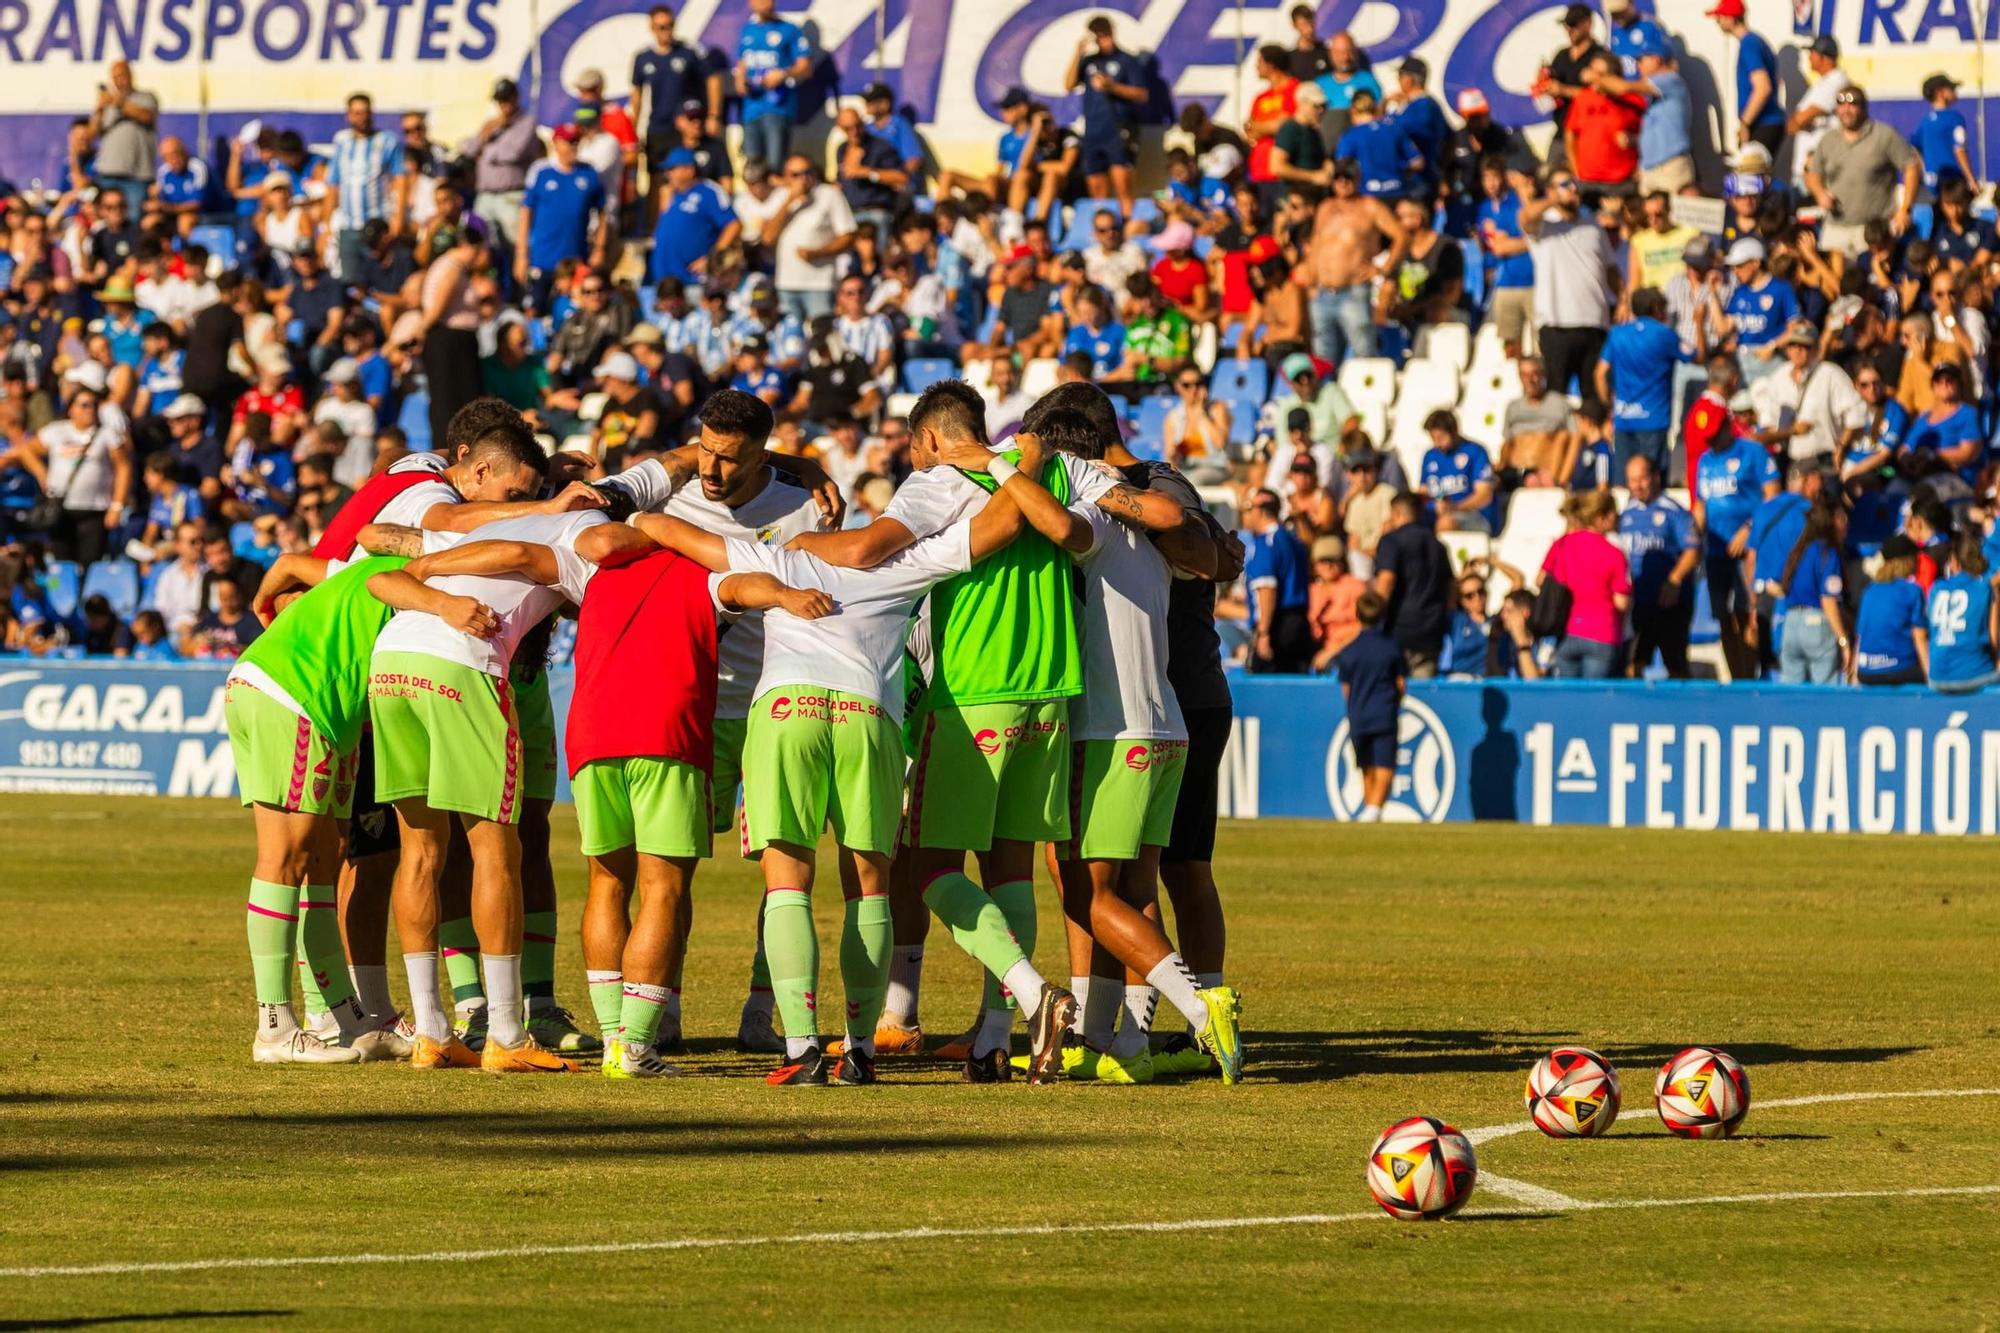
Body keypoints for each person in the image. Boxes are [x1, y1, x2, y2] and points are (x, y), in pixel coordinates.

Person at [787, 382, 1186, 1076]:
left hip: (974, 692)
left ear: (932, 438)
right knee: (1011, 869)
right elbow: (1153, 511)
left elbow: (868, 550)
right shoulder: (1063, 468)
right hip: (1052, 693)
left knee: (931, 866)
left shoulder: (937, 479)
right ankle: (996, 1038)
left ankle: (1034, 996)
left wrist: (794, 544)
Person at [938, 409, 1241, 1086]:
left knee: (1088, 894)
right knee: (1132, 892)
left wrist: (1000, 466)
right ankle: (1121, 1041)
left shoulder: (1098, 523)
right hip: (1166, 732)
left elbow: (1058, 522)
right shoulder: (1154, 540)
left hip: (1110, 732)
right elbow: (1186, 535)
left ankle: (1203, 1008)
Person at [1693, 407, 1782, 680]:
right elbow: (1701, 504)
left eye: (1713, 435)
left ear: (1726, 427)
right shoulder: (1705, 461)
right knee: (1722, 616)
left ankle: (1753, 677)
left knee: (1747, 614)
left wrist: (1749, 529)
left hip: (1749, 551)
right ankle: (1737, 677)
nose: (1709, 442)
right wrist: (1693, 538)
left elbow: (1773, 495)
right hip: (1716, 550)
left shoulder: (1752, 453)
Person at [1524, 169, 1618, 395]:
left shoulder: (1592, 223)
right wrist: (1553, 199)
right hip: (1557, 327)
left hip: (1595, 323)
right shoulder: (1544, 225)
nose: (1573, 189)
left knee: (1594, 398)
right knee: (1557, 397)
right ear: (1550, 191)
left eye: (1574, 183)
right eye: (1565, 184)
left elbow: (1611, 268)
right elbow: (1525, 217)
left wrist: (1623, 299)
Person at [18, 383, 132, 566]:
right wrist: (42, 474)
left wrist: (117, 505)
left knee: (90, 563)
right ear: (71, 408)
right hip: (61, 509)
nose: (90, 409)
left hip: (94, 509)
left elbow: (124, 467)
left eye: (94, 405)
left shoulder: (106, 434)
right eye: (84, 405)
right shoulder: (56, 431)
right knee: (62, 564)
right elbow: (26, 450)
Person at [1306, 162, 1408, 363]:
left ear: (1358, 178)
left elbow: (1401, 236)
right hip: (1322, 292)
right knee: (1322, 357)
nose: (1343, 182)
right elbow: (1316, 244)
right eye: (1338, 177)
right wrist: (1311, 281)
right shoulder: (1325, 208)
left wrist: (1383, 268)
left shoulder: (1369, 206)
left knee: (1363, 351)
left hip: (1353, 292)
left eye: (1348, 177)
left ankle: (1366, 394)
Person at [1804, 87, 1918, 257]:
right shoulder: (1828, 140)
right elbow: (1813, 173)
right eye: (1841, 104)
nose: (1846, 110)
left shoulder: (1883, 135)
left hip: (1873, 231)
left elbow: (1911, 168)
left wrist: (1905, 209)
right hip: (1835, 228)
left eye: (1852, 104)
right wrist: (1819, 192)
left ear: (1863, 107)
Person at [632, 5, 725, 211]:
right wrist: (633, 128)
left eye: (670, 25)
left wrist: (713, 115)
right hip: (657, 125)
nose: (666, 31)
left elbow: (713, 79)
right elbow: (637, 94)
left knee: (685, 176)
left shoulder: (688, 52)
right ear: (652, 28)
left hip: (683, 128)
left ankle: (683, 220)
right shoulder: (643, 58)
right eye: (661, 27)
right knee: (656, 178)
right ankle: (655, 229)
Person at [1619, 455, 1699, 677]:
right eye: (1632, 480)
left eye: (1642, 479)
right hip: (1637, 602)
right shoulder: (1626, 513)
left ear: (1655, 477)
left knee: (1676, 666)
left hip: (1669, 602)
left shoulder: (1674, 512)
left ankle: (1682, 710)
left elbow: (1693, 551)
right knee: (1633, 664)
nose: (1637, 485)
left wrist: (1673, 581)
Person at [1329, 591, 1405, 823]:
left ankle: (1371, 808)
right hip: (1384, 712)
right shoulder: (1391, 648)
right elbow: (1400, 684)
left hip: (1358, 714)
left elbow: (1346, 688)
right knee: (1384, 762)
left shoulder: (1348, 651)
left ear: (1357, 615)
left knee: (1366, 763)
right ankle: (1373, 808)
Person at [517, 126, 609, 315]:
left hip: (575, 261)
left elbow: (603, 213)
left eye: (576, 141)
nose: (573, 147)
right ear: (556, 144)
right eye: (568, 142)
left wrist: (599, 248)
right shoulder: (541, 172)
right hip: (543, 258)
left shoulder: (589, 174)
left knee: (573, 311)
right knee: (534, 311)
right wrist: (521, 254)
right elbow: (526, 213)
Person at [1540, 489, 1631, 678]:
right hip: (1603, 633)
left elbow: (1544, 579)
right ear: (1601, 518)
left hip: (1568, 632)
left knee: (1569, 700)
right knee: (1596, 702)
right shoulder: (1614, 553)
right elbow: (1621, 603)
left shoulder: (1564, 544)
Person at [1595, 287, 1686, 473]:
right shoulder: (1663, 334)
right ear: (1656, 309)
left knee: (1625, 483)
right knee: (1652, 485)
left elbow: (1599, 373)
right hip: (1654, 420)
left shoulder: (1617, 333)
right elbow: (1696, 355)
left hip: (1623, 419)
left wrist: (1608, 406)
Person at [1064, 16, 1148, 216]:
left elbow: (1142, 94)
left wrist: (1112, 86)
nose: (1105, 41)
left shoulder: (1126, 60)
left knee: (1122, 184)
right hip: (1093, 132)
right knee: (1096, 186)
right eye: (1100, 37)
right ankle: (1102, 229)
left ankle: (1127, 226)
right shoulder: (1089, 62)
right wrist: (1078, 52)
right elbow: (1068, 85)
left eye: (1107, 35)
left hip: (1118, 130)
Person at [765, 156, 856, 323]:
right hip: (786, 284)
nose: (802, 179)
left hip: (819, 284)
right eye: (795, 174)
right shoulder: (780, 197)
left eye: (807, 173)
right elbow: (767, 237)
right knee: (791, 340)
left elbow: (849, 235)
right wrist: (789, 200)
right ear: (785, 176)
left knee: (821, 338)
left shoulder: (830, 194)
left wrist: (819, 253)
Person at [1372, 491, 1452, 677]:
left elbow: (1386, 581)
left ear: (1397, 513)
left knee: (1395, 693)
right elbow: (1451, 587)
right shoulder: (1438, 545)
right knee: (1421, 696)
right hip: (1431, 632)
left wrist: (1373, 616)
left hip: (1399, 631)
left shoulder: (1391, 541)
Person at [462, 78, 546, 257]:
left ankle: (520, 283)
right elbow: (469, 151)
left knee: (516, 245)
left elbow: (512, 153)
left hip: (511, 196)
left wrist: (486, 150)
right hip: (485, 195)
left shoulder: (526, 123)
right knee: (483, 245)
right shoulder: (491, 124)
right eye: (500, 100)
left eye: (507, 99)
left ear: (516, 97)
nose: (503, 104)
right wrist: (482, 136)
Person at [328, 93, 403, 283]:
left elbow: (400, 181)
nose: (362, 117)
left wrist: (397, 219)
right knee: (350, 283)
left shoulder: (387, 141)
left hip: (377, 224)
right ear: (349, 116)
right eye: (357, 113)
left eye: (366, 112)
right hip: (349, 225)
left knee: (380, 280)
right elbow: (333, 184)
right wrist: (326, 225)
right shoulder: (341, 142)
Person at [1774, 502, 1850, 684]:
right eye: (1842, 519)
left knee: (1791, 698)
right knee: (1824, 700)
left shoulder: (1798, 551)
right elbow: (1828, 600)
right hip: (1817, 624)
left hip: (1790, 624)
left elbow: (1778, 587)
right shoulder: (1827, 553)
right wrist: (1843, 641)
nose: (1846, 524)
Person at [734, 0, 814, 172]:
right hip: (751, 108)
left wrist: (783, 74)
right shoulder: (747, 30)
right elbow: (742, 63)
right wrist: (740, 81)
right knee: (753, 166)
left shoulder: (789, 29)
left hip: (777, 107)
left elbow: (805, 66)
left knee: (774, 164)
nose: (764, 3)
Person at [1240, 486, 1314, 672]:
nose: (1245, 515)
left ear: (1260, 510)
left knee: (1267, 690)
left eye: (1248, 509)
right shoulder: (1292, 540)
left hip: (1278, 625)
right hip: (1299, 622)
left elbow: (1267, 589)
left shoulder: (1267, 542)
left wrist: (1263, 633)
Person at [1709, 0, 1784, 158]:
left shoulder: (1749, 44)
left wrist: (1745, 123)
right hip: (1765, 123)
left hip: (1763, 123)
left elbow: (1762, 88)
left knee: (1750, 178)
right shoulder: (1755, 42)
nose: (1717, 22)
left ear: (1731, 18)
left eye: (1720, 17)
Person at [1854, 535, 1930, 686]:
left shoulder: (1870, 591)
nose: (1918, 562)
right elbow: (1919, 636)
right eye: (1916, 557)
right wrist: (1931, 677)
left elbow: (1860, 637)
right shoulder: (1912, 591)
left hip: (1867, 672)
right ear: (1908, 561)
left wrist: (1855, 676)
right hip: (1901, 669)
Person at [1927, 530, 1997, 690]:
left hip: (1937, 677)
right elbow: (1994, 641)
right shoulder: (1984, 589)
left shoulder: (1936, 588)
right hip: (1975, 674)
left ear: (1955, 561)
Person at [92, 61, 159, 217]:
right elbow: (93, 133)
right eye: (115, 77)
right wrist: (99, 110)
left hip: (135, 176)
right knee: (105, 221)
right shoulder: (108, 104)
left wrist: (118, 102)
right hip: (107, 174)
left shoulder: (145, 97)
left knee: (132, 219)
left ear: (131, 76)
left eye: (122, 75)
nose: (118, 80)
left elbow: (146, 116)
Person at [1498, 357, 1577, 487]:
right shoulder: (1513, 407)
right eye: (1524, 374)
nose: (1530, 380)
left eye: (1534, 374)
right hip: (1516, 471)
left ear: (1543, 375)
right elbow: (1507, 442)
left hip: (1547, 474)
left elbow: (1575, 439)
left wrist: (1563, 478)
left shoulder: (1559, 404)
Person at [1788, 36, 1851, 196]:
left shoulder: (1836, 82)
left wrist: (1798, 121)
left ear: (1824, 56)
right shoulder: (1824, 82)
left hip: (1818, 169)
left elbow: (1800, 120)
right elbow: (1794, 123)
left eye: (1812, 53)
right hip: (1808, 168)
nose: (1809, 57)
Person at [1418, 410, 1498, 534]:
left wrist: (1454, 507)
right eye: (1433, 438)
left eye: (1441, 438)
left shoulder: (1475, 452)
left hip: (1474, 515)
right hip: (1435, 515)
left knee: (1446, 523)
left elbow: (1484, 495)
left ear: (1454, 431)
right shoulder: (1430, 456)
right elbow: (1423, 493)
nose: (1437, 443)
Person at [1916, 74, 1979, 196]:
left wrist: (1926, 171)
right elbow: (1959, 149)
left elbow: (1915, 149)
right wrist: (1971, 179)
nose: (1955, 92)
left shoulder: (1925, 121)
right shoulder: (1954, 118)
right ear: (1941, 93)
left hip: (1932, 183)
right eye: (1952, 89)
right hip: (1952, 182)